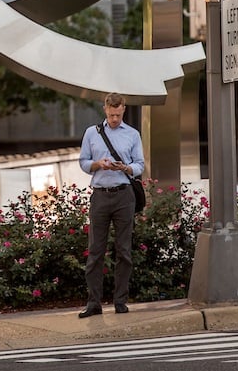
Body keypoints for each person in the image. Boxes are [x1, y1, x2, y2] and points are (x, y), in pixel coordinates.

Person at [77, 92, 144, 318]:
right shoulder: (91, 133)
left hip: (124, 195)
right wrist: (98, 164)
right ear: (105, 109)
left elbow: (139, 165)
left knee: (123, 250)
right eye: (111, 114)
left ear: (123, 109)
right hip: (100, 195)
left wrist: (124, 168)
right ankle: (93, 302)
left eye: (118, 114)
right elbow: (83, 162)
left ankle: (120, 301)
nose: (114, 118)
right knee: (96, 251)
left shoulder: (132, 134)